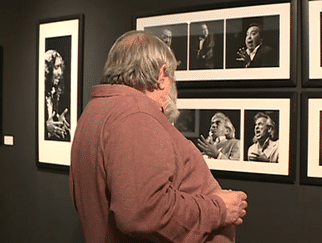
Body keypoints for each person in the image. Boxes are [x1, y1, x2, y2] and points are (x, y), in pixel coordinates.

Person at [69, 30, 248, 243]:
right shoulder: (136, 115)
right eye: (172, 76)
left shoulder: (99, 109)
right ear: (161, 76)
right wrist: (220, 209)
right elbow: (142, 212)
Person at [44, 49, 70, 141]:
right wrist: (45, 127)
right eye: (56, 67)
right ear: (47, 70)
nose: (60, 72)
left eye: (60, 67)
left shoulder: (54, 93)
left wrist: (58, 120)